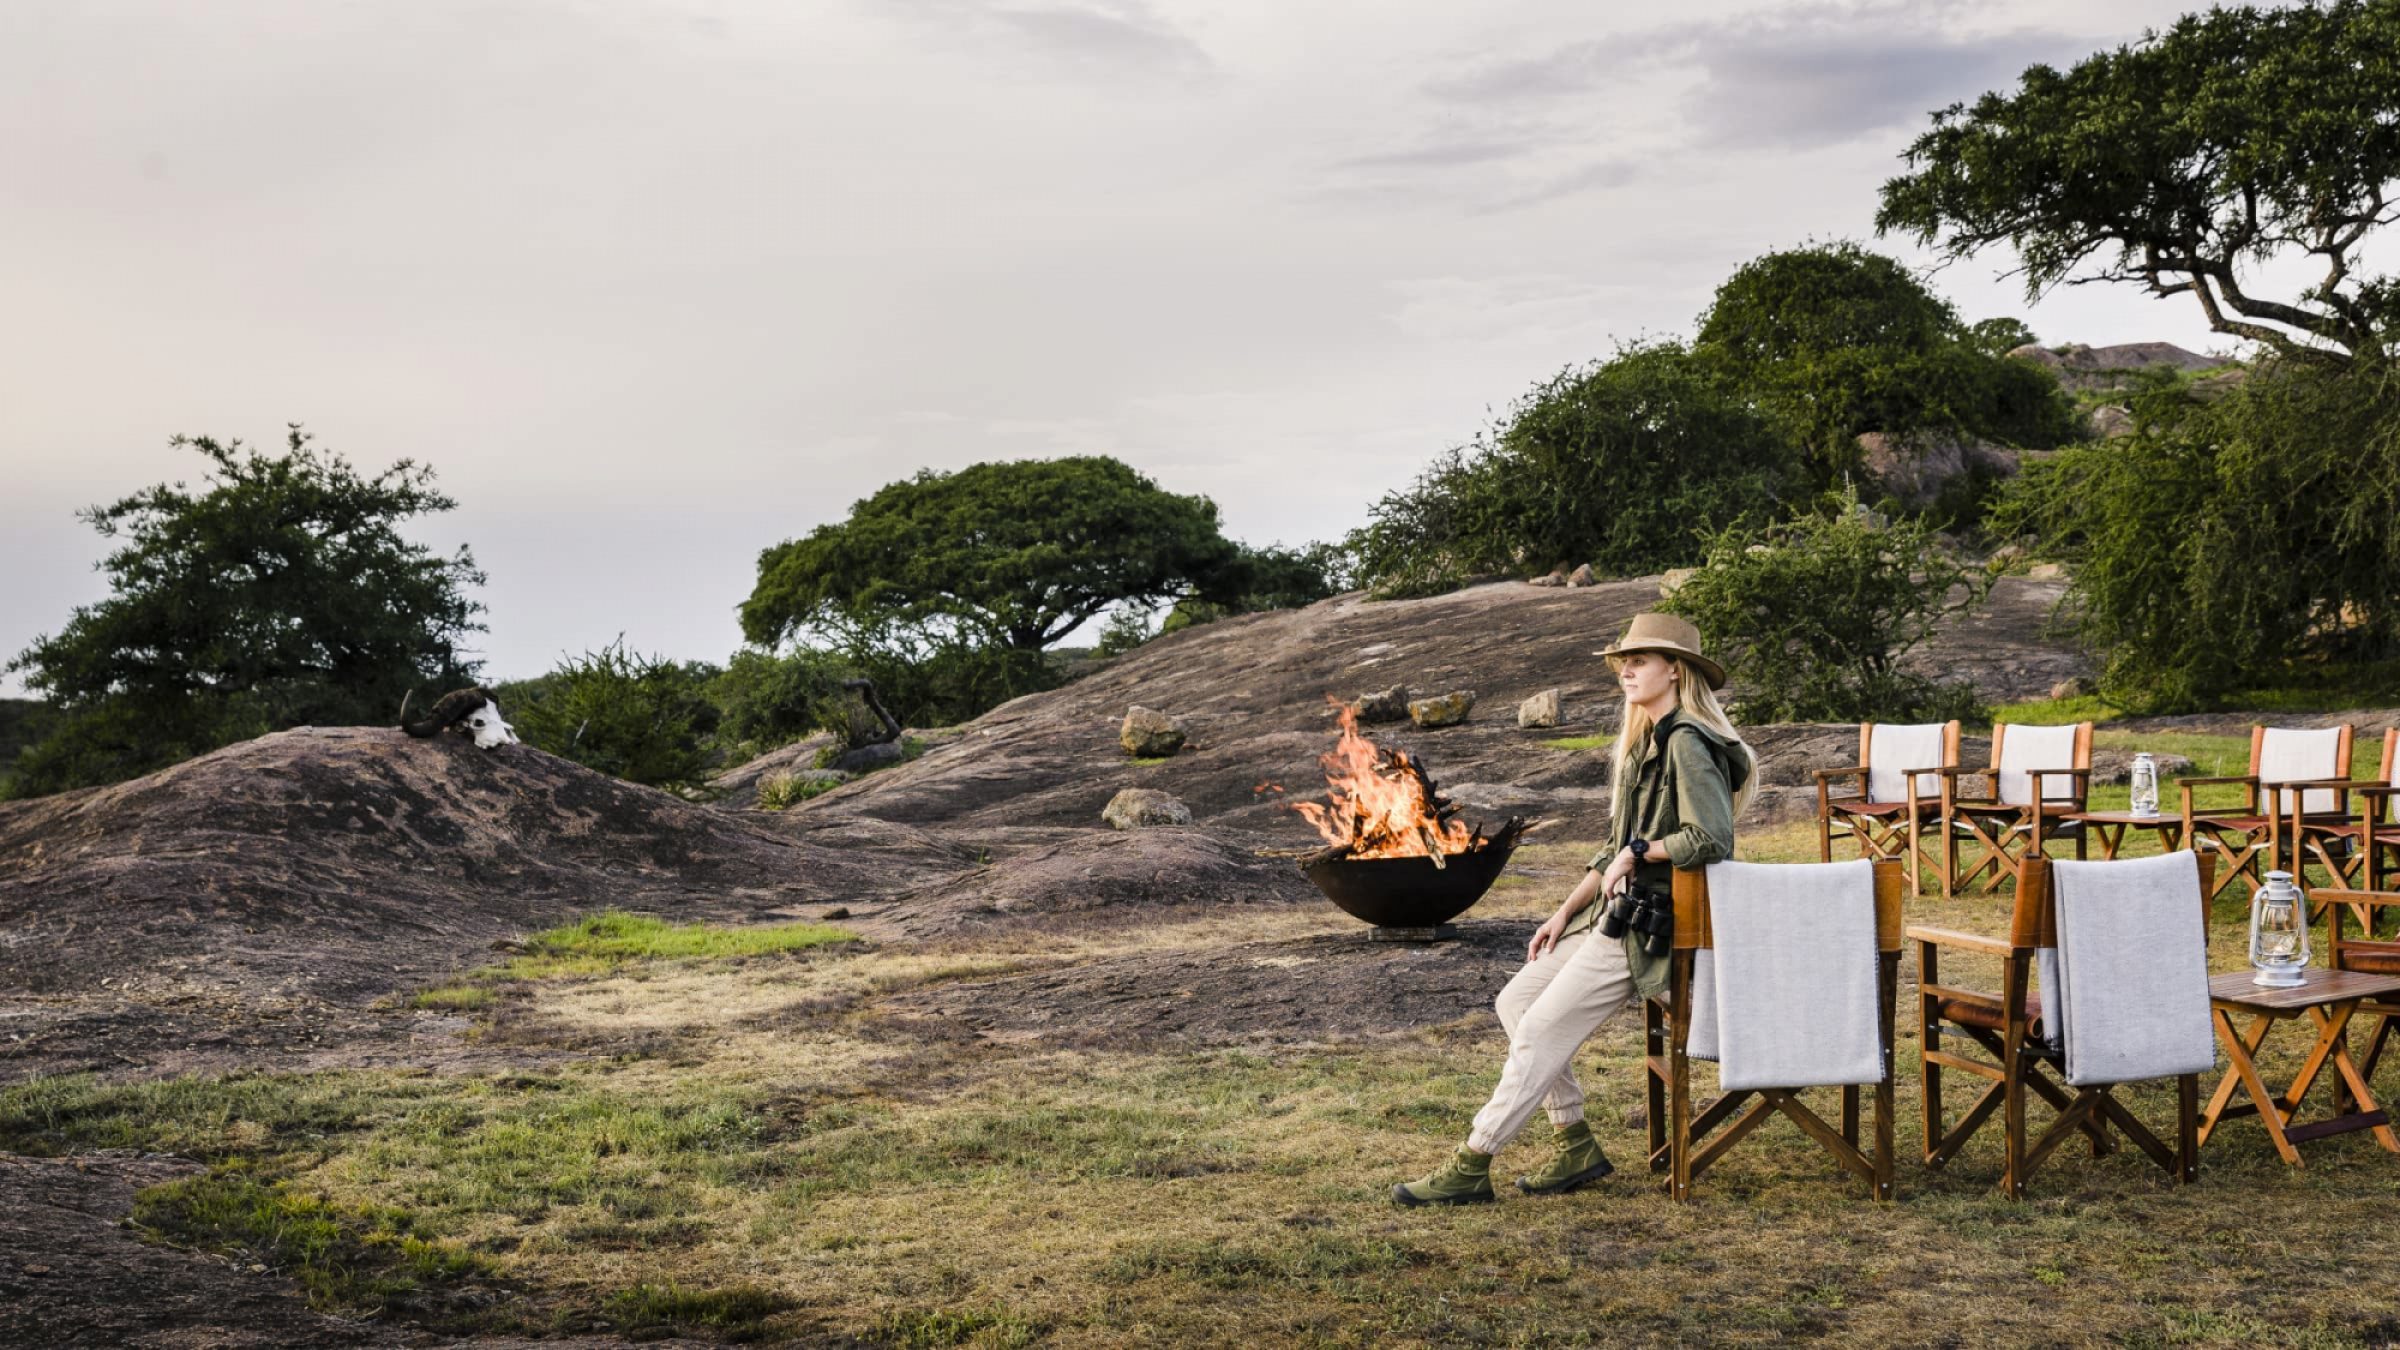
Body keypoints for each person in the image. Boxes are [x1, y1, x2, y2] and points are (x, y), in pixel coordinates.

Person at [1393, 611, 1756, 1205]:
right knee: (1515, 1001)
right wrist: (1563, 913)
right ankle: (1575, 1143)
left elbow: (1710, 839)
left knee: (1538, 1029)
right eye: (1623, 662)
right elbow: (1611, 850)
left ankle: (1471, 1161)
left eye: (1640, 660)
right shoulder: (1649, 742)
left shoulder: (1689, 741)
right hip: (1610, 914)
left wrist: (1641, 851)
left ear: (1675, 668)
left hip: (1650, 927)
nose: (1627, 671)